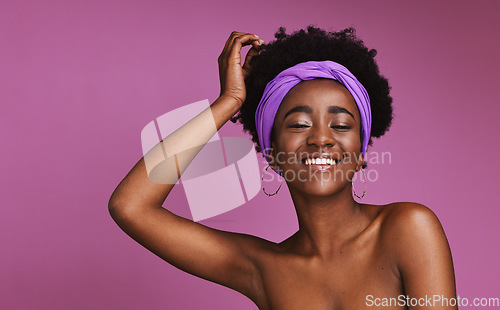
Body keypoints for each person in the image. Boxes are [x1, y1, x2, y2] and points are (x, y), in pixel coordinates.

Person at [109, 26, 457, 310]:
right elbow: (131, 207)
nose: (321, 138)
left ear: (362, 153)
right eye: (299, 124)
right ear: (273, 155)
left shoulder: (409, 229)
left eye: (340, 125)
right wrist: (228, 102)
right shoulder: (262, 268)